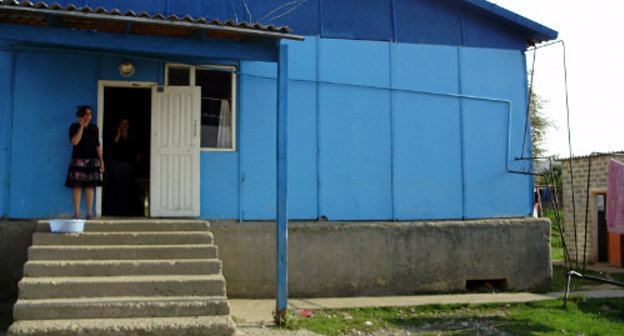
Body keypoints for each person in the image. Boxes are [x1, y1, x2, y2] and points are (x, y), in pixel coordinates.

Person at [65, 105, 104, 219]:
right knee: (77, 186)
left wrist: (101, 161)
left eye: (90, 114)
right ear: (81, 115)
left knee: (89, 186)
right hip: (78, 159)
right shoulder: (74, 127)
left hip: (92, 159)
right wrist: (81, 127)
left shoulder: (94, 128)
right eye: (86, 113)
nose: (88, 116)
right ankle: (76, 213)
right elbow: (75, 142)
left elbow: (97, 145)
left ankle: (89, 213)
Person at [103, 118, 142, 216]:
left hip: (129, 167)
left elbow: (137, 151)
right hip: (116, 167)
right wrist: (119, 134)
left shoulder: (133, 137)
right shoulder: (114, 136)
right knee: (116, 188)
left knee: (129, 188)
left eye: (126, 123)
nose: (125, 126)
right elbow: (112, 146)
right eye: (122, 123)